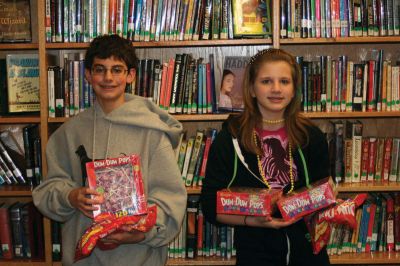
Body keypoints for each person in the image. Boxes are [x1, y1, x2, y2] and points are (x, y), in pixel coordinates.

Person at [32, 34, 187, 266]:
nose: (108, 78)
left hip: (140, 259)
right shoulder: (68, 133)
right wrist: (71, 197)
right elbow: (46, 192)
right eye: (99, 69)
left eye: (117, 69)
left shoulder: (153, 134)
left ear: (130, 75)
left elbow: (171, 200)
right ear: (87, 75)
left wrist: (142, 231)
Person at [200, 48, 330, 266]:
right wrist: (255, 221)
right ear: (251, 88)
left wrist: (328, 197)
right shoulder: (229, 139)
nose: (276, 89)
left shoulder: (311, 136)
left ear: (294, 89)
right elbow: (210, 206)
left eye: (284, 81)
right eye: (266, 81)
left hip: (308, 254)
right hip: (255, 253)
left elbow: (321, 192)